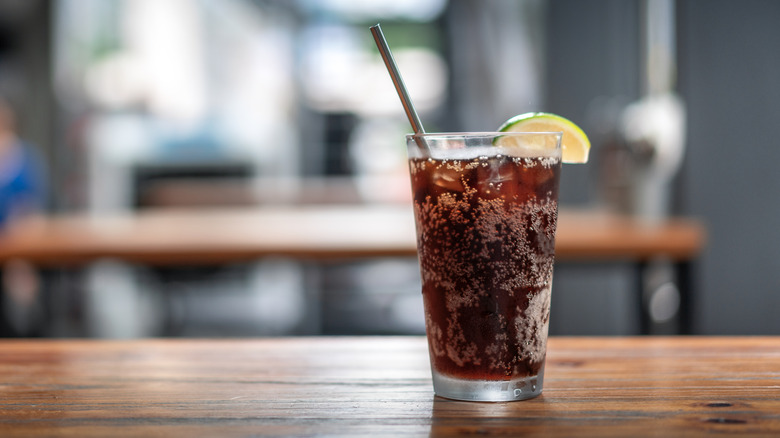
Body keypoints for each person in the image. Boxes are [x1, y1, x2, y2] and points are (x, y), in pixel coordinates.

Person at [0, 96, 47, 336]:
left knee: (21, 272)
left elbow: (32, 207)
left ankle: (23, 332)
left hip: (17, 242)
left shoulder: (24, 156)